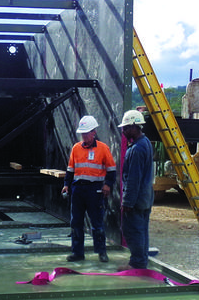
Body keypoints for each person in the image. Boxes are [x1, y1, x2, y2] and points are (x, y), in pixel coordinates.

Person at [61, 115, 117, 262]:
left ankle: (101, 252)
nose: (84, 136)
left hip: (95, 190)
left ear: (94, 132)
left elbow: (111, 170)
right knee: (76, 222)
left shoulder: (103, 149)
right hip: (78, 190)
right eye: (83, 133)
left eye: (87, 133)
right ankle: (77, 253)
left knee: (97, 222)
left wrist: (107, 185)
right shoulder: (76, 148)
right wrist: (66, 185)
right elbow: (70, 169)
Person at [117, 109, 154, 270]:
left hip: (136, 200)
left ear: (134, 126)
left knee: (133, 231)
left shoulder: (137, 149)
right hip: (145, 198)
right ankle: (141, 261)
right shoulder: (145, 143)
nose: (123, 131)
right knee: (142, 231)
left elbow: (133, 179)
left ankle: (137, 264)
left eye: (125, 128)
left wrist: (127, 202)